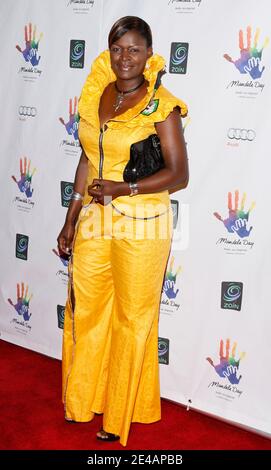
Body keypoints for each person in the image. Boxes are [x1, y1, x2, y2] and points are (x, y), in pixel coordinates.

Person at [57, 16, 188, 447]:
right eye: (117, 49)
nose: (124, 57)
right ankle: (81, 399)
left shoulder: (161, 105)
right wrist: (70, 218)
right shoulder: (98, 93)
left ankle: (117, 416)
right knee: (90, 311)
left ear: (149, 53)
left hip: (143, 226)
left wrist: (124, 187)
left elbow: (178, 173)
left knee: (132, 319)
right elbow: (85, 162)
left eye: (133, 49)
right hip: (96, 220)